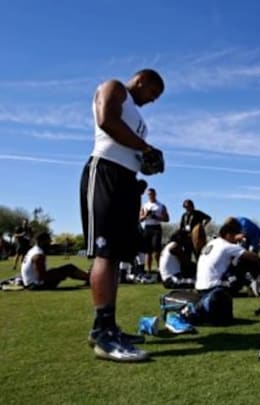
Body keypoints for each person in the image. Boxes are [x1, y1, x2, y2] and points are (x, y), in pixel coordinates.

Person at [79, 68, 164, 362]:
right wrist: (147, 147)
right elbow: (107, 121)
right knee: (105, 252)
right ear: (141, 81)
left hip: (127, 180)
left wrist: (148, 162)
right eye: (153, 93)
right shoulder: (114, 87)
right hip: (104, 173)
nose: (152, 100)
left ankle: (105, 327)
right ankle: (104, 335)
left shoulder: (138, 117)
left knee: (115, 254)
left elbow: (132, 148)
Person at [189, 217, 260, 325]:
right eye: (235, 235)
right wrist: (258, 272)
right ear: (228, 235)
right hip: (214, 287)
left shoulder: (212, 243)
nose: (236, 239)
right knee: (244, 262)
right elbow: (255, 258)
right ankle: (254, 284)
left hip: (200, 287)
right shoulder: (227, 246)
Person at [21, 233, 89, 289]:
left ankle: (88, 278)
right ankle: (91, 279)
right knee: (69, 268)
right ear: (42, 241)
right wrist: (59, 274)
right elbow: (42, 277)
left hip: (30, 283)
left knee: (62, 270)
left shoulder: (33, 250)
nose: (50, 243)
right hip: (36, 285)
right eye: (48, 241)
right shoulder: (38, 255)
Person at [139, 187, 169, 272]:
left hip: (156, 228)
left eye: (152, 194)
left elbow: (167, 219)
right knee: (147, 251)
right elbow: (140, 219)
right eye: (148, 194)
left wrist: (157, 217)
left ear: (155, 194)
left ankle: (160, 269)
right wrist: (146, 215)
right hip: (147, 228)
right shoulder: (145, 205)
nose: (150, 196)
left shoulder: (161, 205)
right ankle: (148, 270)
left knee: (156, 249)